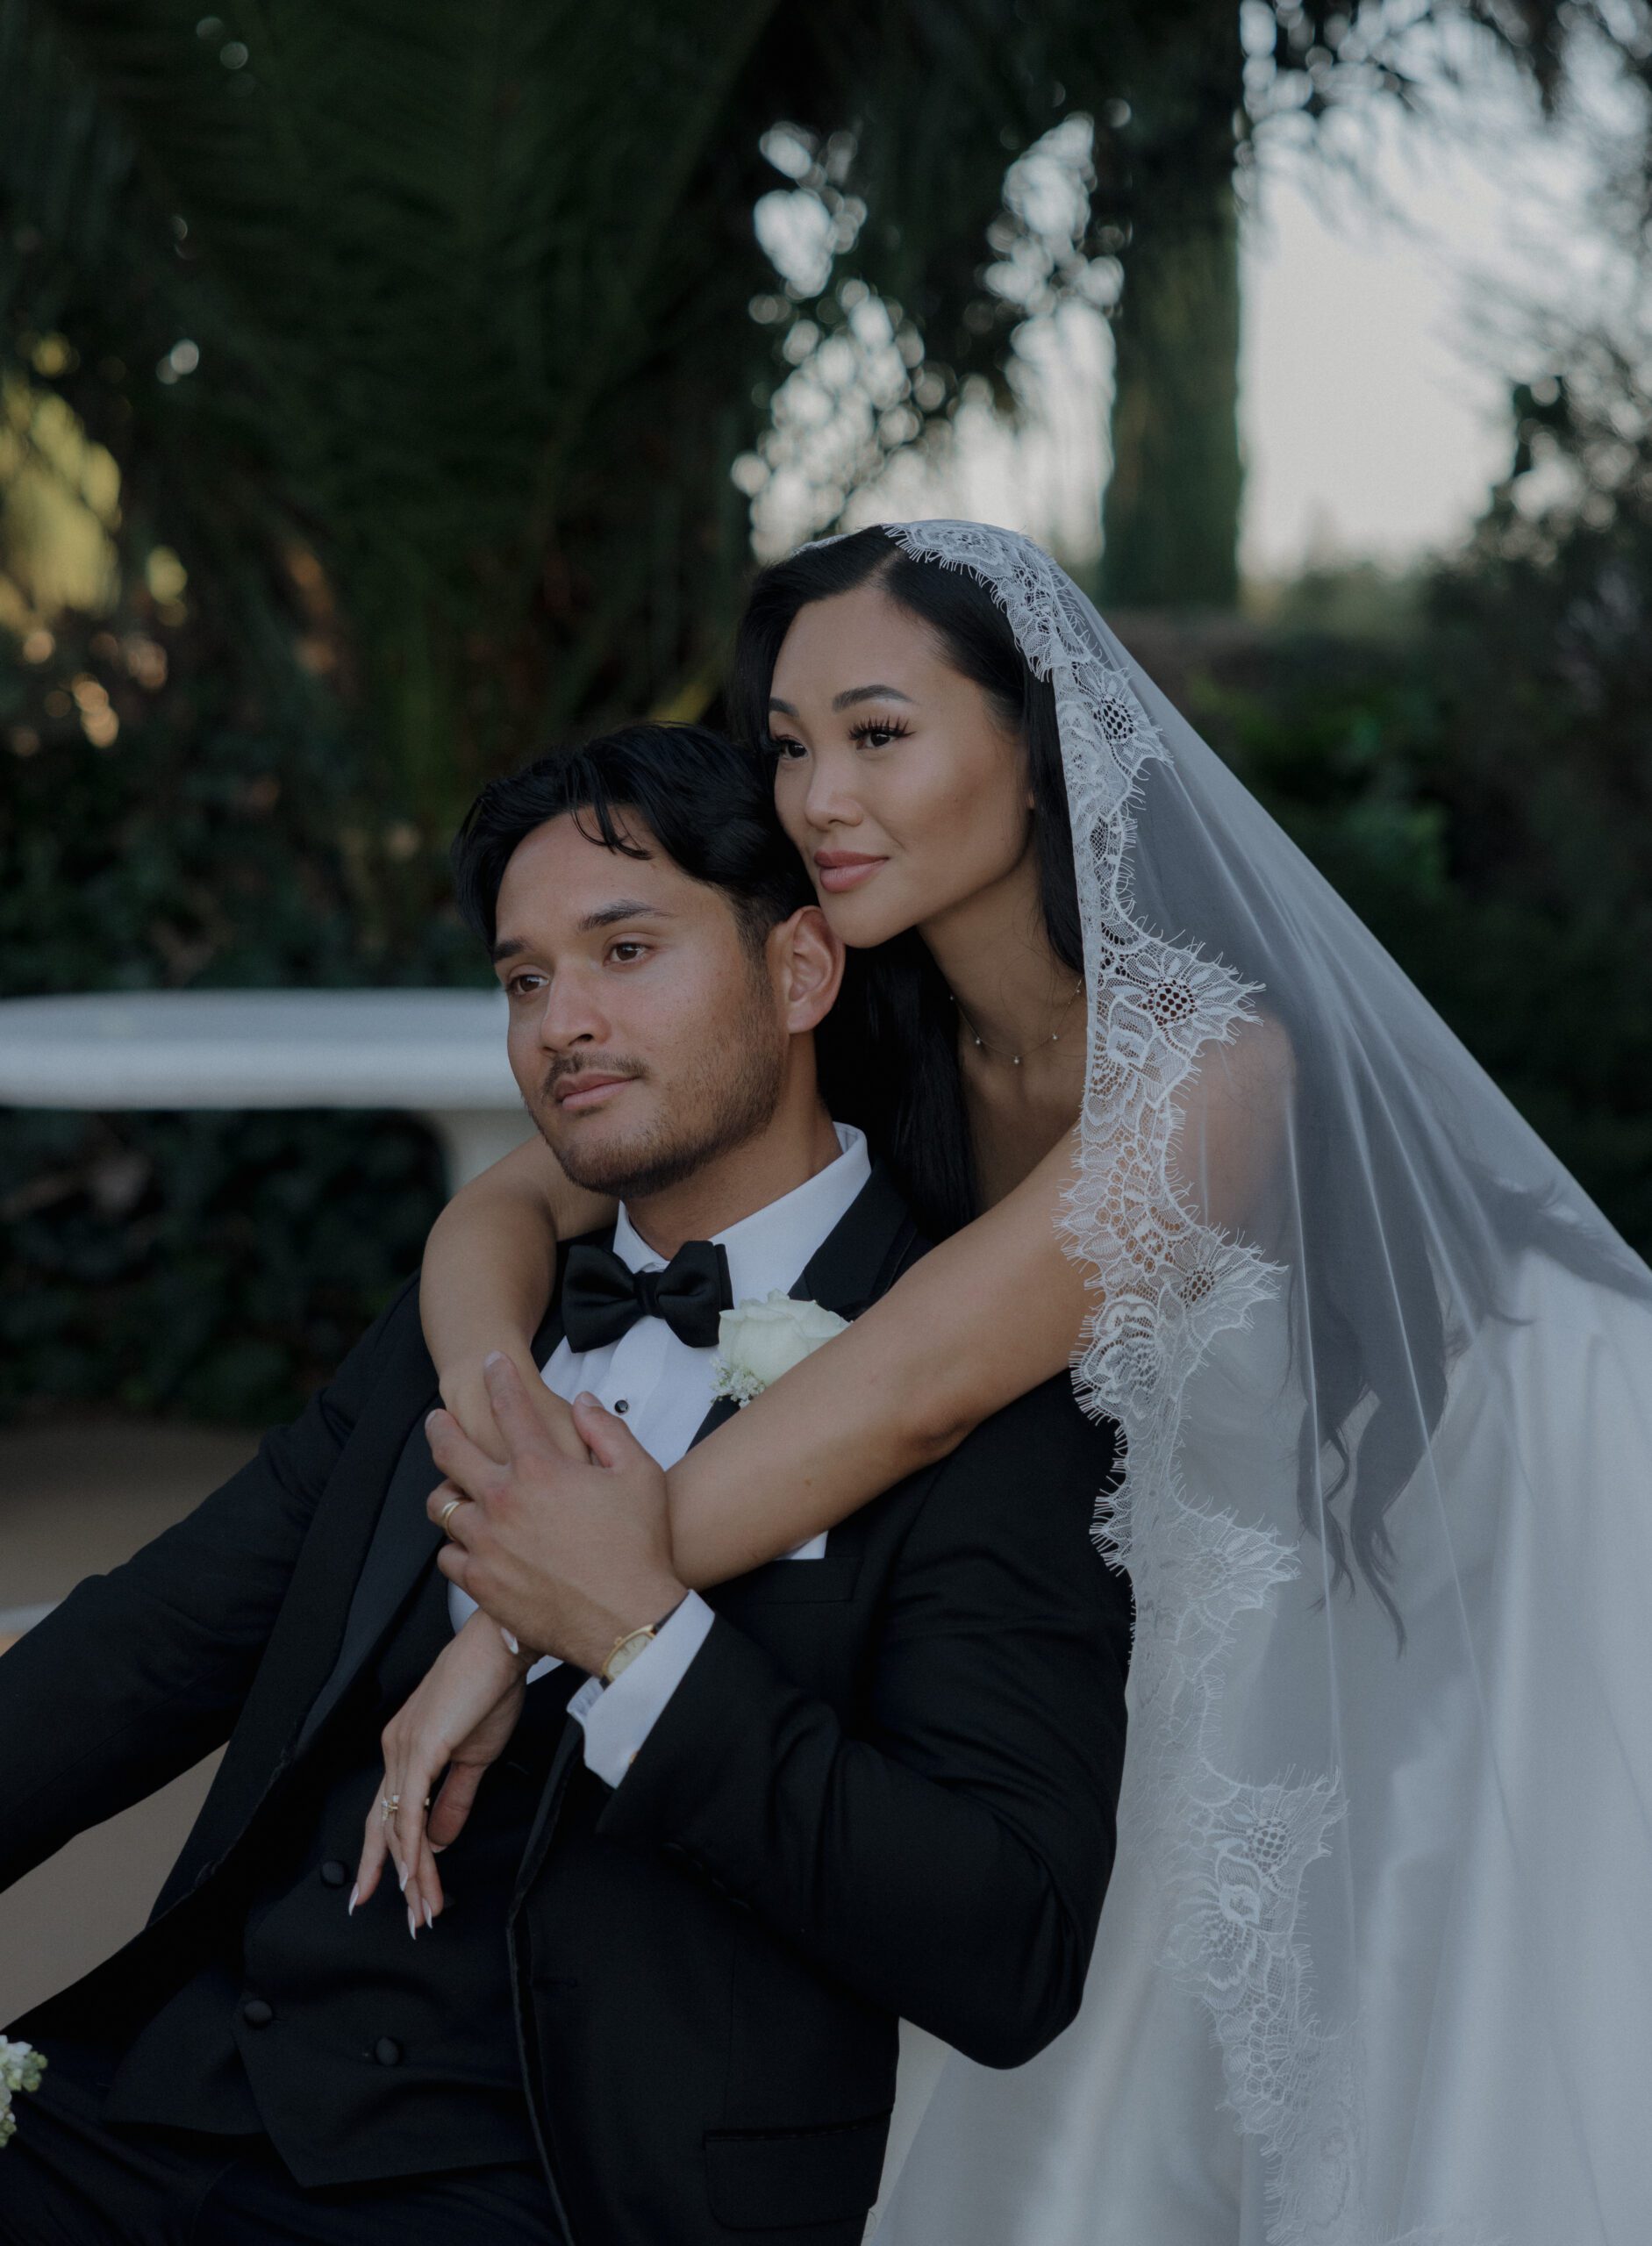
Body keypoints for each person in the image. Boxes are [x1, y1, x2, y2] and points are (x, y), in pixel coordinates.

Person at [401, 521, 1652, 2245]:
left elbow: (918, 1380)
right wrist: (505, 1409)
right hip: (1185, 1575)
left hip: (1501, 1489)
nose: (818, 792)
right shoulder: (877, 1007)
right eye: (787, 742)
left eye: (880, 733)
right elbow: (505, 1204)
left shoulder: (1217, 1062)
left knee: (1440, 2024)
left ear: (1039, 741)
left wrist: (529, 1612)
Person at [0, 719, 1131, 2246]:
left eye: (623, 950)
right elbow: (144, 1649)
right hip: (158, 2111)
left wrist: (641, 1644)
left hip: (564, 2187)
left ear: (802, 973)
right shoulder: (476, 1330)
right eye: (526, 980)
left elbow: (1008, 1945)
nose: (562, 1023)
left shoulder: (983, 1382)